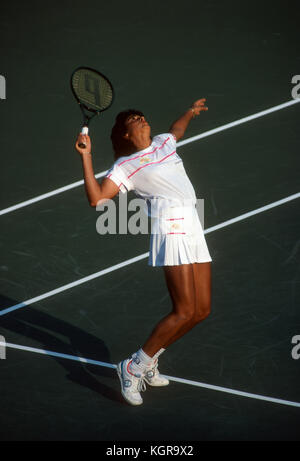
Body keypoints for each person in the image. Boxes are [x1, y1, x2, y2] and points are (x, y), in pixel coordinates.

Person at [75, 99, 212, 406]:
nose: (142, 119)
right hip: (170, 230)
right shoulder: (125, 166)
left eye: (143, 116)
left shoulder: (164, 142)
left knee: (202, 310)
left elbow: (177, 129)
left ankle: (148, 362)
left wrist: (189, 111)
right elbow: (97, 200)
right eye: (135, 119)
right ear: (126, 134)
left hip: (193, 224)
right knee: (184, 311)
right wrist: (87, 156)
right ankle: (132, 366)